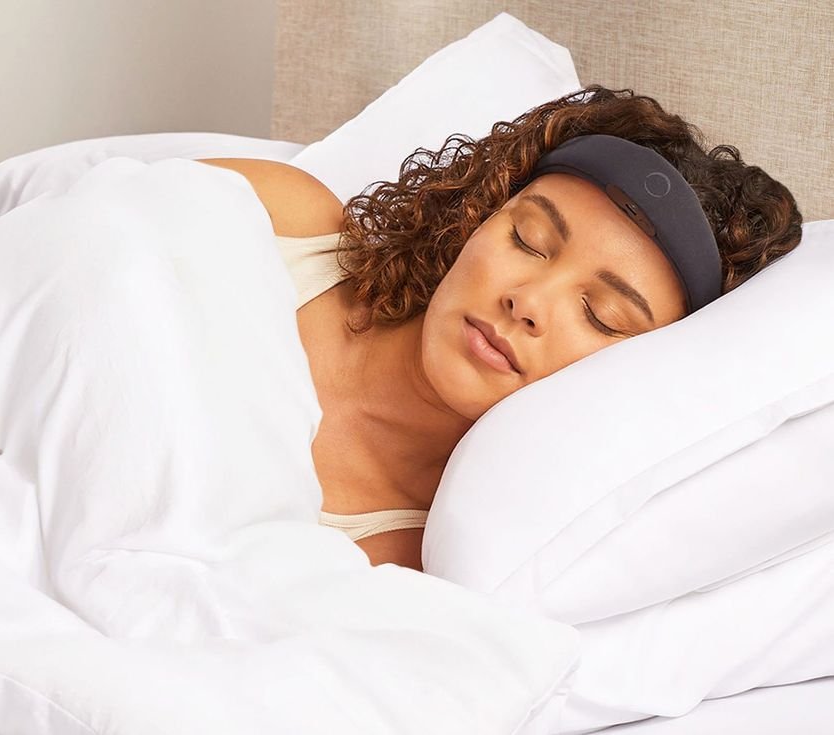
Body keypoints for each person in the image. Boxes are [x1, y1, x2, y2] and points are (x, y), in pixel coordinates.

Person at [199, 85, 803, 572]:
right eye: (528, 239)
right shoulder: (276, 219)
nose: (528, 302)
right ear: (476, 215)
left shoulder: (400, 562)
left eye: (601, 315)